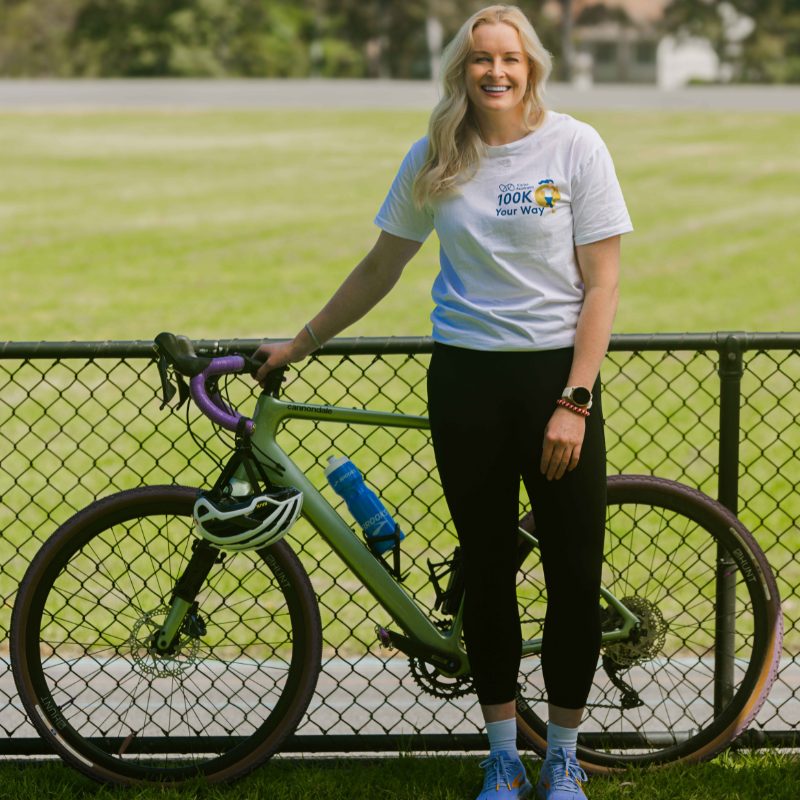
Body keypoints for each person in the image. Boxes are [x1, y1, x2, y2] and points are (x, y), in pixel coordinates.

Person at [251, 5, 633, 799]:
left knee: (571, 575)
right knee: (488, 573)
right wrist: (301, 343)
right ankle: (501, 755)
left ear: (532, 66)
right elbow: (381, 266)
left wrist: (576, 399)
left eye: (510, 59)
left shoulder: (575, 145)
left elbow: (603, 285)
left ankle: (561, 758)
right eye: (480, 59)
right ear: (461, 71)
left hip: (555, 385)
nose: (496, 72)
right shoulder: (436, 155)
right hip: (466, 382)